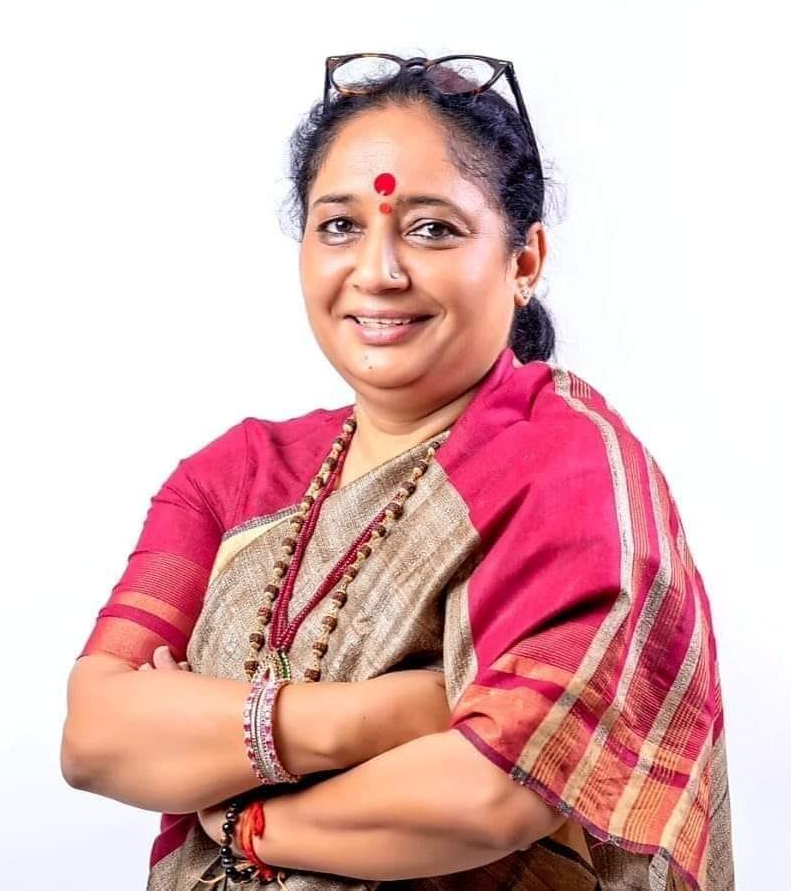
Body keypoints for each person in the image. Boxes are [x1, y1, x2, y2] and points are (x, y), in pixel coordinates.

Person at [61, 53, 734, 891]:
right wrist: (378, 717)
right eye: (340, 226)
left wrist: (247, 817)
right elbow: (94, 736)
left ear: (524, 261)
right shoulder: (236, 474)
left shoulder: (569, 468)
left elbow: (492, 795)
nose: (378, 273)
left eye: (433, 229)